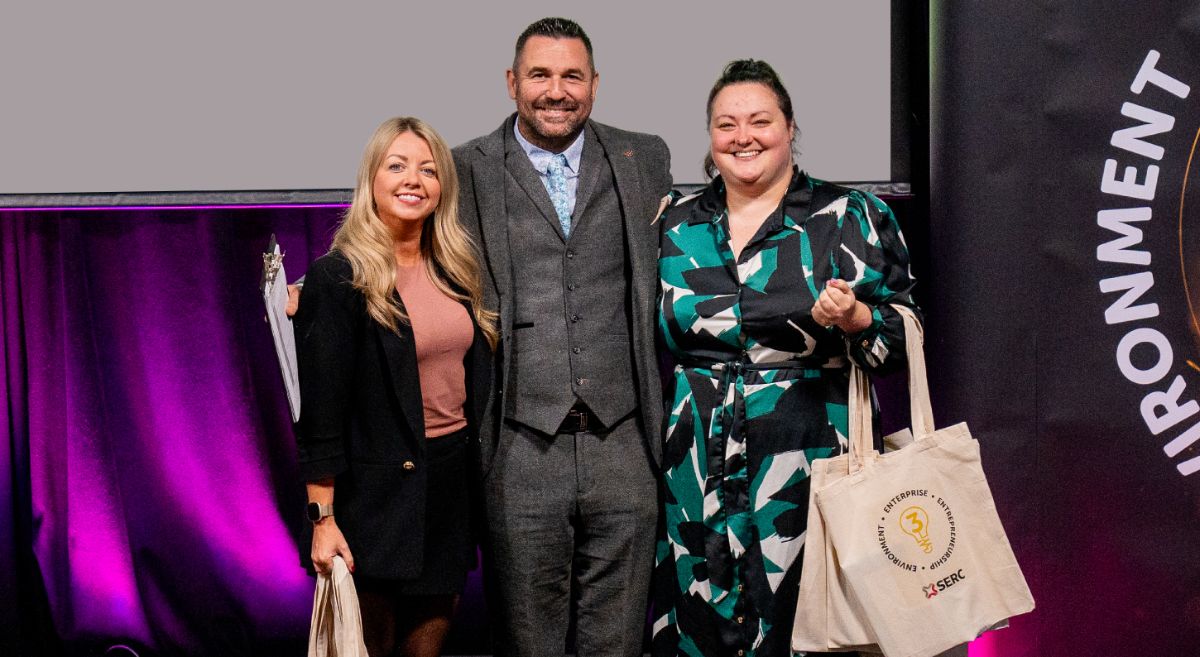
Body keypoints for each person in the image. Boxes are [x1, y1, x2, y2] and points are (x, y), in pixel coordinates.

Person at [651, 60, 919, 657]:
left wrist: (856, 320)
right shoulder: (674, 222)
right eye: (726, 124)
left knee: (810, 622)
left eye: (760, 121)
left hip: (813, 458)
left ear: (790, 127)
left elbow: (907, 336)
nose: (743, 137)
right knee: (703, 623)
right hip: (696, 463)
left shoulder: (850, 216)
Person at [452, 17, 672, 657]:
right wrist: (329, 288)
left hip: (624, 444)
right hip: (519, 446)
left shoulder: (644, 157)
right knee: (528, 643)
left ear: (596, 85)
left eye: (572, 75)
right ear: (512, 82)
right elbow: (411, 248)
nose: (556, 90)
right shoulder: (466, 167)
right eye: (540, 75)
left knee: (618, 642)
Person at [293, 116, 496, 657]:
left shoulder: (456, 270)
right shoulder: (338, 278)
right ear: (372, 180)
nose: (414, 180)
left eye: (429, 170)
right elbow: (321, 418)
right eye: (398, 165)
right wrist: (323, 520)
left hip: (449, 494)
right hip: (372, 507)